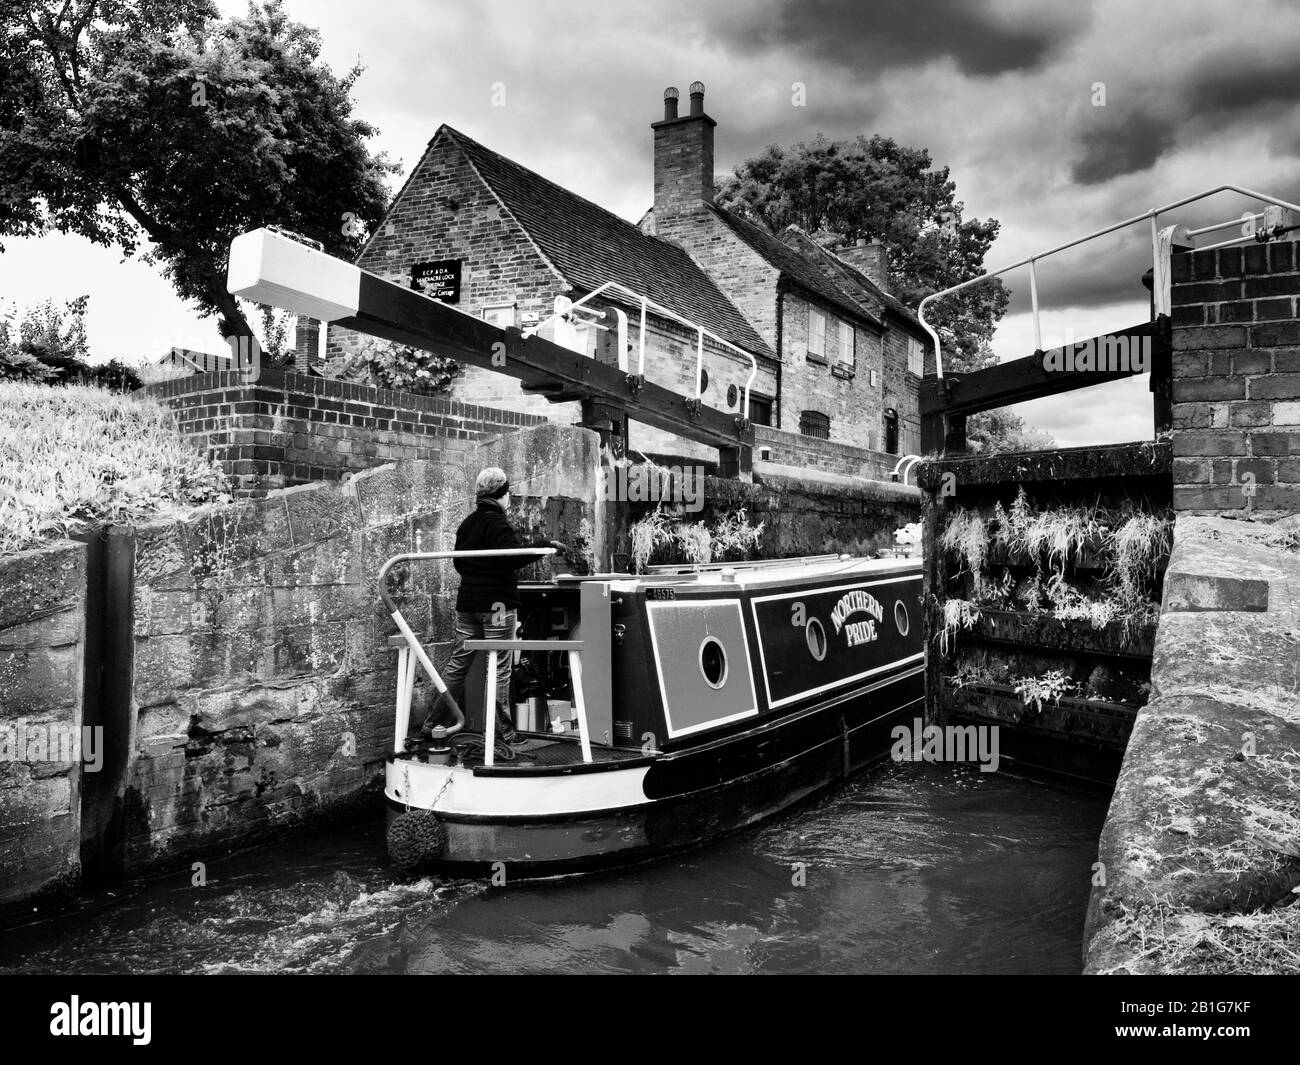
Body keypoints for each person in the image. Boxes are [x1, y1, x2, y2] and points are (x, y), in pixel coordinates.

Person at [423, 467, 565, 745]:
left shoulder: (467, 524)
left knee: (457, 664)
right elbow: (512, 557)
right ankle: (504, 734)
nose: (509, 498)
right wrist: (547, 545)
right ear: (502, 494)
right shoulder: (497, 523)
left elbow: (459, 563)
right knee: (500, 665)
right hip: (497, 606)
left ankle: (431, 725)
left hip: (468, 605)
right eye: (508, 493)